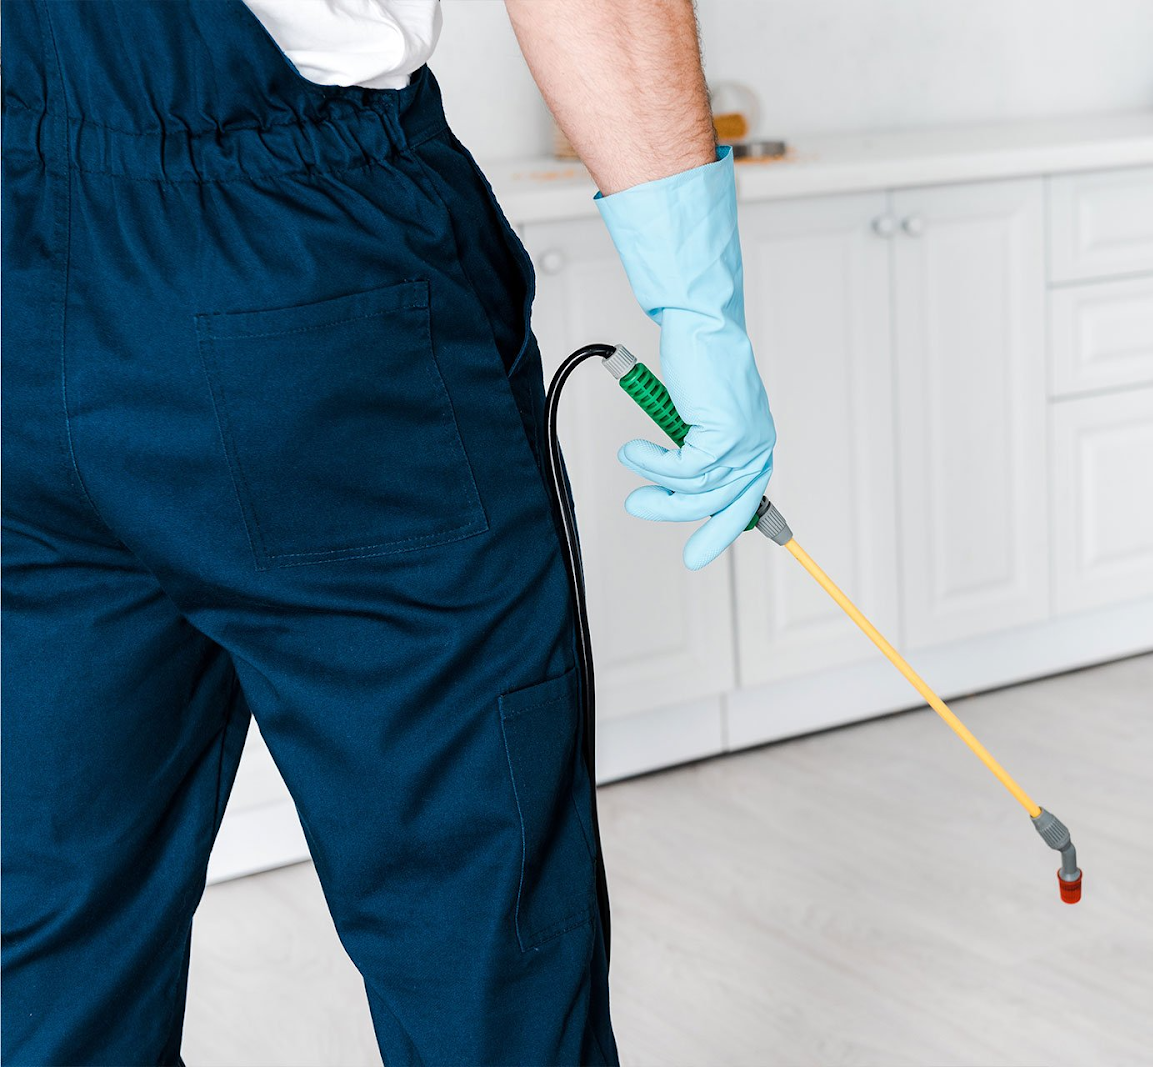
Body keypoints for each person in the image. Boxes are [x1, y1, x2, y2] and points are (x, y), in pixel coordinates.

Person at [0, 0, 776, 1062]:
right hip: (300, 272)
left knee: (46, 937)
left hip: (22, 265)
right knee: (477, 933)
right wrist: (699, 305)